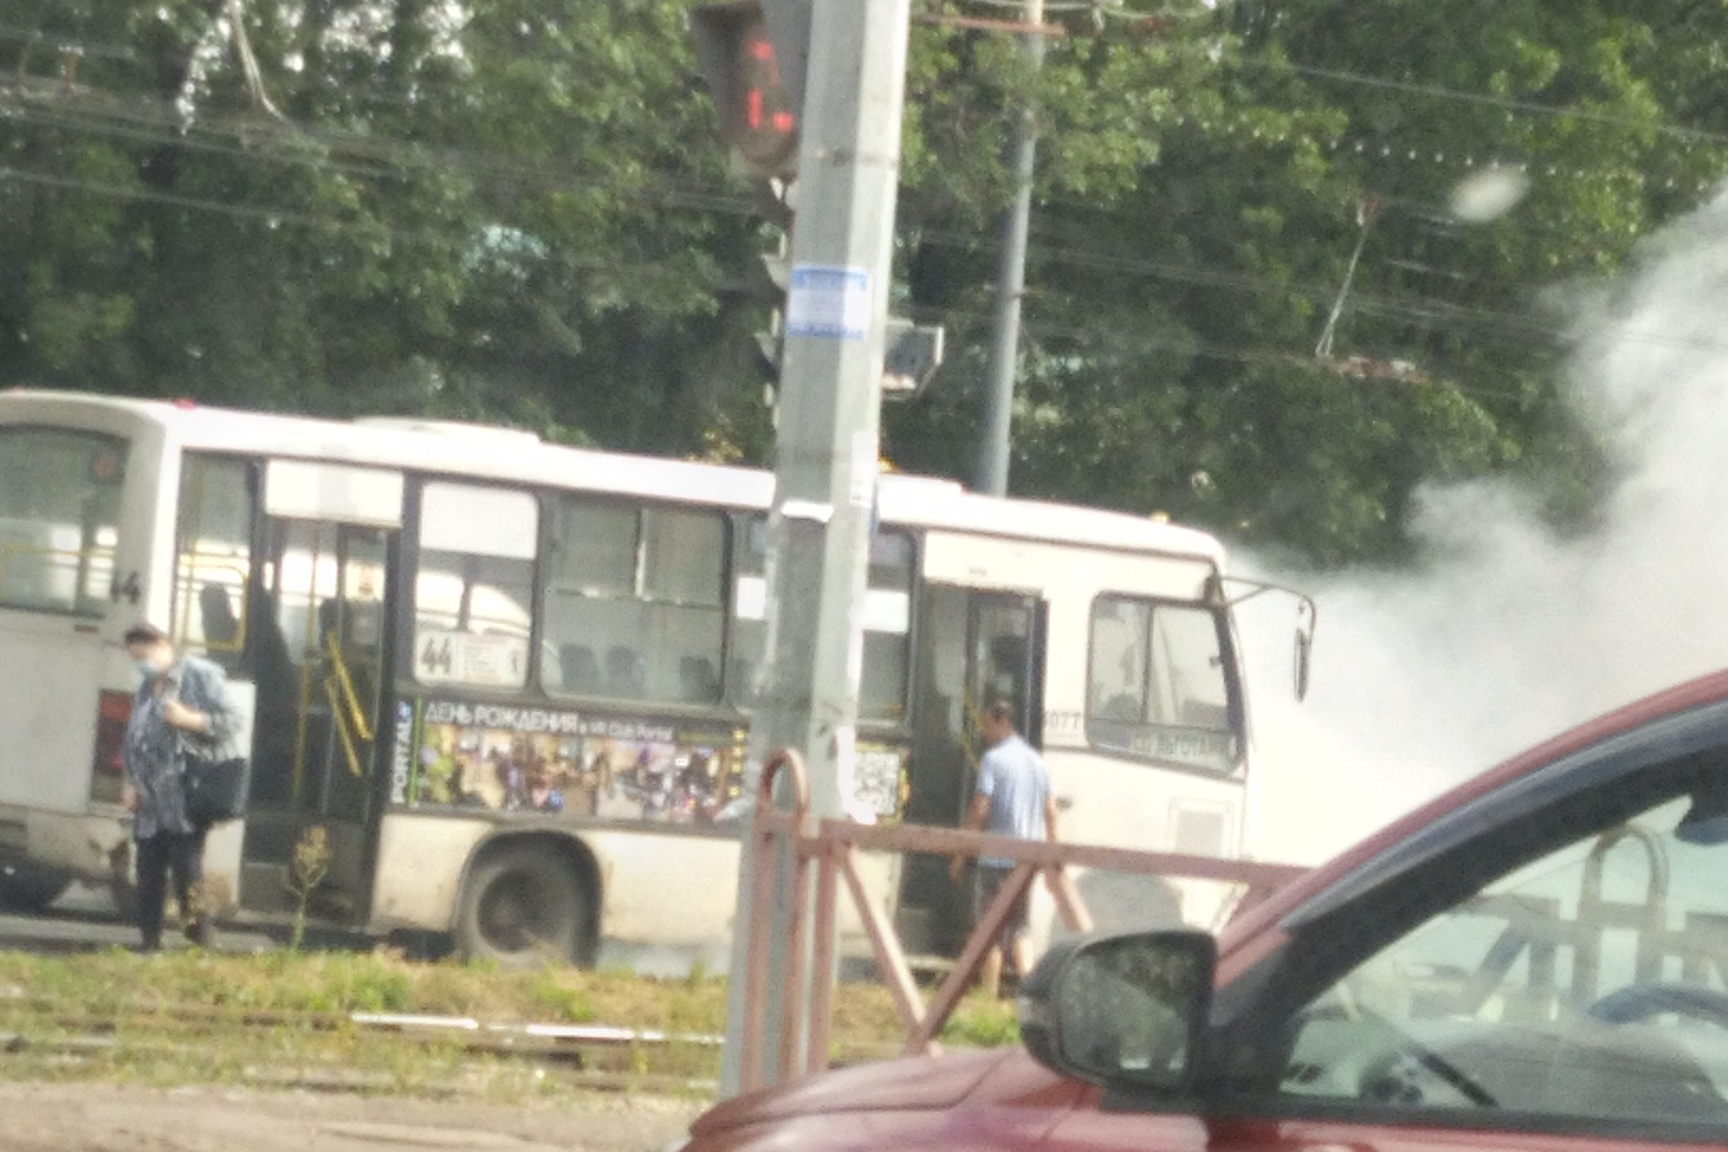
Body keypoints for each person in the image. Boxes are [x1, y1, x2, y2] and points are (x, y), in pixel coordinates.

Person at [121, 621, 241, 952]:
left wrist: (192, 720)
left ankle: (200, 943)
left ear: (164, 646)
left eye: (144, 656)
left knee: (187, 874)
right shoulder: (147, 687)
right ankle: (149, 944)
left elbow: (233, 721)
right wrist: (130, 781)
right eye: (135, 658)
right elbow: (134, 737)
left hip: (185, 798)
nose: (141, 664)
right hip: (149, 803)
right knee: (148, 874)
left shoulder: (200, 676)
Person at [949, 699, 1058, 997]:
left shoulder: (993, 760)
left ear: (1003, 722)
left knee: (990, 930)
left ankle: (988, 999)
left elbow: (980, 808)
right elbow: (1051, 812)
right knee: (1020, 928)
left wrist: (960, 852)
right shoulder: (1038, 762)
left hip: (996, 860)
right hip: (1027, 860)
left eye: (987, 725)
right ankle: (1031, 995)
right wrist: (1053, 857)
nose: (984, 733)